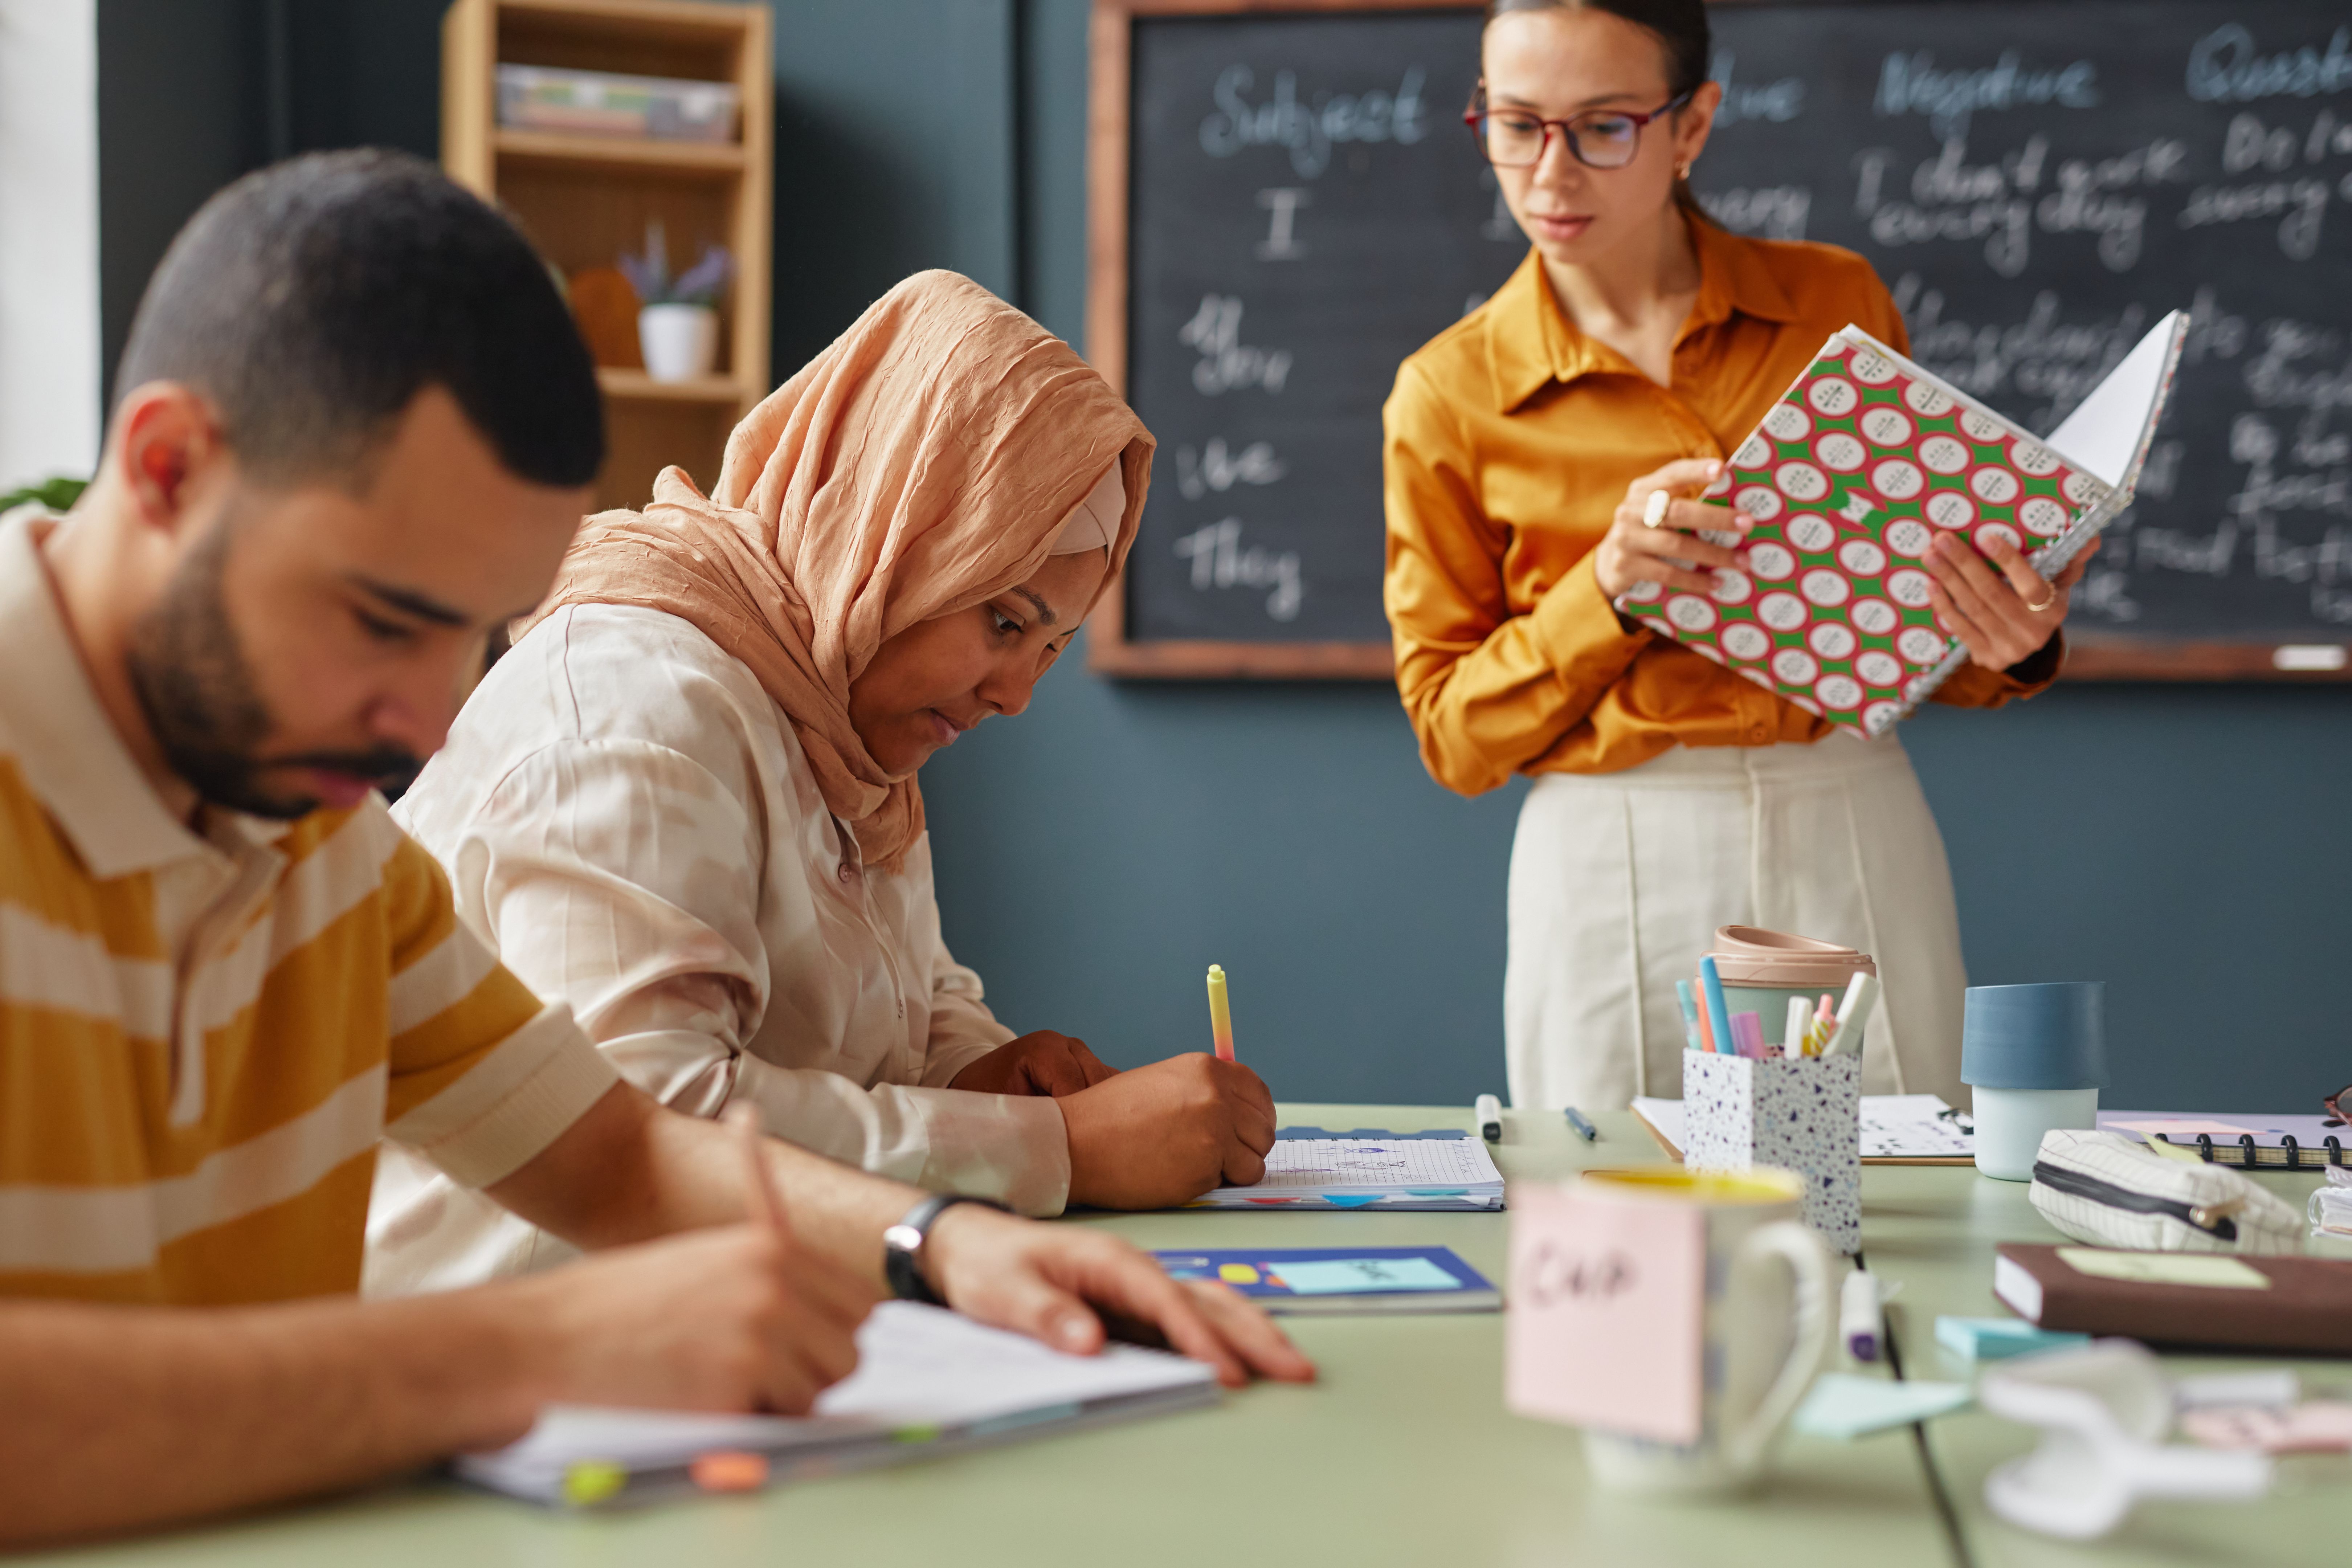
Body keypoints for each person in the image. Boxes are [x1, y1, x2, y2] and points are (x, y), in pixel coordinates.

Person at [0, 152, 1309, 1548]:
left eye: (473, 629)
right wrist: (536, 1348)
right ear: (166, 470)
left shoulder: (320, 842)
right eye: (387, 618)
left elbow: (616, 1152)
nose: (435, 715)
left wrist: (956, 1243)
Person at [368, 270, 1278, 1293]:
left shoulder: (840, 724)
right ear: (895, 536)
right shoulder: (639, 710)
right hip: (517, 1348)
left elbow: (916, 1002)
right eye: (1006, 621)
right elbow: (643, 1129)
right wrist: (1059, 1147)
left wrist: (1002, 1077)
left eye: (1053, 648)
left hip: (723, 1320)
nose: (1016, 694)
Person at [1382, 0, 2095, 1113]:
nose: (1550, 175)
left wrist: (2016, 642)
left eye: (1604, 126)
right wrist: (1609, 591)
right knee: (1626, 1240)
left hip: (1848, 815)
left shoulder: (1834, 304)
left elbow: (1910, 636)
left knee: (1891, 1211)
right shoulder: (1448, 392)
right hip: (1608, 847)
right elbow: (1452, 735)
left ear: (1693, 124)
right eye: (1516, 124)